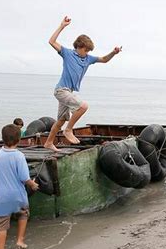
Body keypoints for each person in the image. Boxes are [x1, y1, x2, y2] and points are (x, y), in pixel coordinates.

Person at [43, 16, 122, 152]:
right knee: (83, 106)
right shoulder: (67, 53)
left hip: (68, 92)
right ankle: (68, 130)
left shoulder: (88, 59)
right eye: (85, 50)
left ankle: (49, 143)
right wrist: (62, 26)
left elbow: (104, 59)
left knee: (61, 120)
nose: (87, 53)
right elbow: (51, 41)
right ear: (79, 47)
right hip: (61, 90)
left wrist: (113, 53)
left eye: (88, 51)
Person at [0, 124, 39, 249]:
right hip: (18, 196)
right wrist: (34, 184)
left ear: (2, 139)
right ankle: (20, 240)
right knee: (23, 215)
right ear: (19, 140)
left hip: (2, 197)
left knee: (1, 226)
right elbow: (25, 178)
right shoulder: (19, 156)